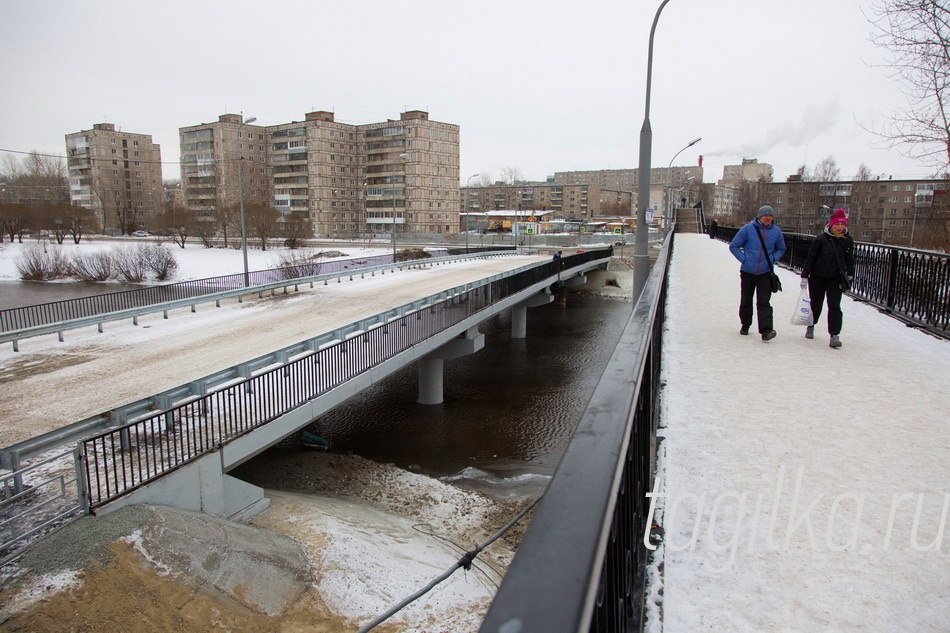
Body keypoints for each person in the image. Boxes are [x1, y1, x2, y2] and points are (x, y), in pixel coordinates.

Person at [728, 205, 786, 341]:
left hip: (765, 272)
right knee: (746, 299)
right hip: (748, 271)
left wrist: (772, 259)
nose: (768, 218)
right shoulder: (748, 229)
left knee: (764, 301)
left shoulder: (776, 232)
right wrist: (744, 259)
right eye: (765, 215)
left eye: (770, 216)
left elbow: (781, 248)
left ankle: (766, 330)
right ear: (759, 217)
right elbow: (734, 246)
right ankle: (745, 324)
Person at [800, 208, 855, 349]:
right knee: (816, 304)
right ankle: (811, 326)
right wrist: (805, 275)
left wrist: (850, 274)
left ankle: (834, 335)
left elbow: (849, 259)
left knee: (835, 306)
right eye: (837, 224)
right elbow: (811, 258)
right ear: (831, 225)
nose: (840, 227)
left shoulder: (848, 240)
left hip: (836, 278)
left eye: (842, 224)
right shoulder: (820, 239)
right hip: (818, 276)